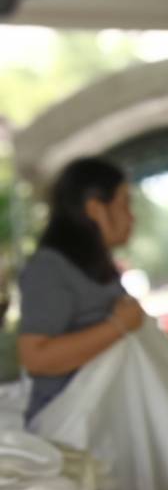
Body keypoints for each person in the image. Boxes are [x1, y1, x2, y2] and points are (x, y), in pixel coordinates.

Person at [16, 157, 145, 426]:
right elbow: (36, 357)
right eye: (124, 204)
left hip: (103, 419)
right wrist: (118, 326)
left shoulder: (97, 266)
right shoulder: (50, 268)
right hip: (66, 424)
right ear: (96, 209)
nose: (132, 217)